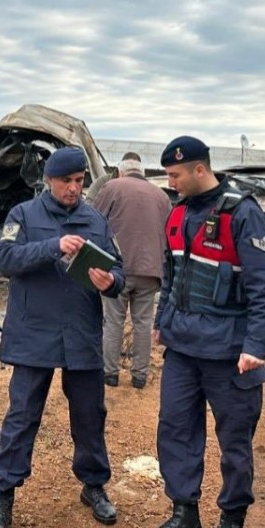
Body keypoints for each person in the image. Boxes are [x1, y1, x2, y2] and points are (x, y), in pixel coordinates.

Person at [137, 137, 265, 528]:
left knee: (235, 441)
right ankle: (185, 518)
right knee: (176, 432)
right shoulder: (177, 214)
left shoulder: (243, 214)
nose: (171, 181)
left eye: (175, 175)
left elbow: (264, 287)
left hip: (231, 354)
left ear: (200, 170)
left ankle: (232, 523)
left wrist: (257, 344)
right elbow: (171, 273)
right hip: (182, 350)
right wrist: (163, 323)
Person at [0, 146, 127, 528]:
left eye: (80, 181)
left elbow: (119, 272)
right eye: (67, 182)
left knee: (89, 416)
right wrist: (53, 246)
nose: (74, 189)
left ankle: (93, 485)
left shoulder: (95, 219)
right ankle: (4, 496)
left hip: (80, 333)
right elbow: (4, 258)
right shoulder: (24, 215)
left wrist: (110, 282)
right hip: (33, 333)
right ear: (50, 180)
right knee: (22, 416)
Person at [92, 152, 171, 389]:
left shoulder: (112, 187)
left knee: (113, 321)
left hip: (118, 270)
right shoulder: (162, 195)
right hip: (151, 270)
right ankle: (139, 376)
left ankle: (110, 374)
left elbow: (94, 220)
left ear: (120, 171)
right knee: (143, 324)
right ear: (142, 171)